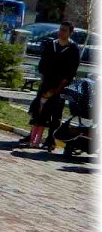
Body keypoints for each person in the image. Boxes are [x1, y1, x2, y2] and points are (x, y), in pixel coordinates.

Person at [28, 21, 81, 150]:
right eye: (60, 29)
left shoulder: (73, 49)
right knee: (39, 110)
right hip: (46, 84)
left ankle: (51, 140)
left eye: (64, 30)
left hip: (61, 86)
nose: (61, 32)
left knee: (55, 114)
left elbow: (71, 71)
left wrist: (59, 87)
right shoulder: (51, 45)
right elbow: (43, 64)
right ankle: (32, 136)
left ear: (70, 33)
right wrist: (44, 78)